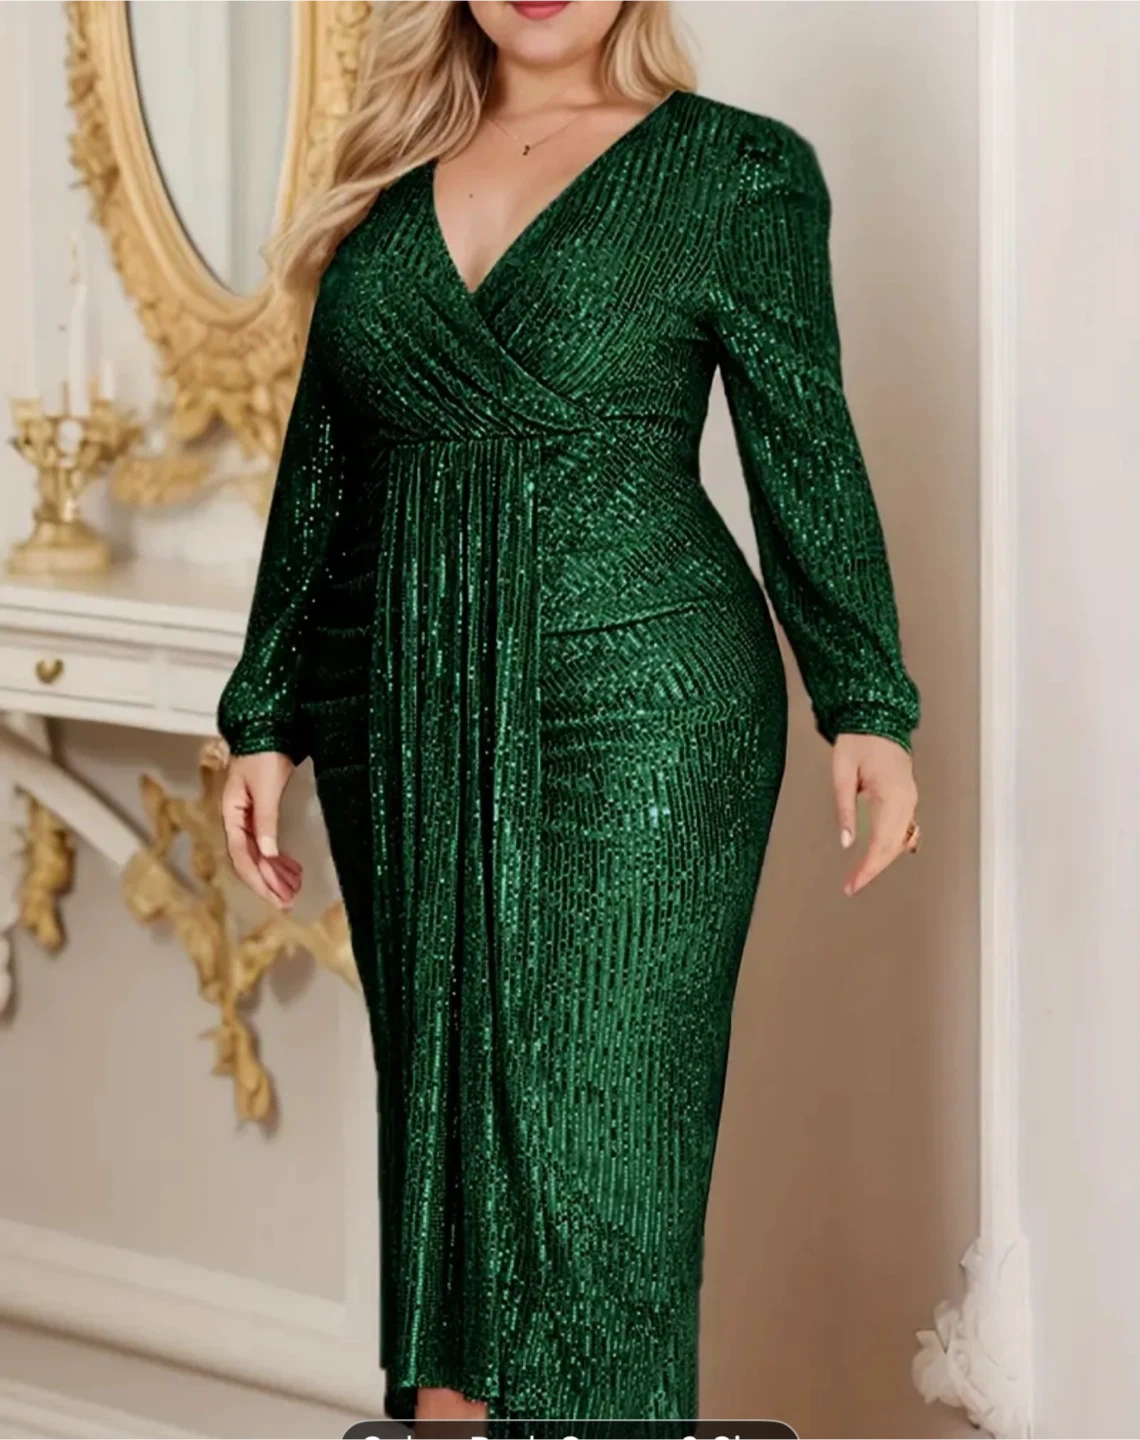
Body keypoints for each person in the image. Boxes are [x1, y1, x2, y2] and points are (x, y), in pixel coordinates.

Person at [216, 0, 921, 1423]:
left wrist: (866, 699)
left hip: (645, 710)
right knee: (445, 1138)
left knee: (604, 1163)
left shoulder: (733, 171)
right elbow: (325, 464)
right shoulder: (386, 175)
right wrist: (264, 713)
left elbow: (806, 445)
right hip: (408, 709)